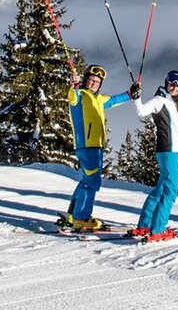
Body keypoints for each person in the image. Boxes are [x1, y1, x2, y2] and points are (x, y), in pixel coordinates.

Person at [57, 64, 133, 231]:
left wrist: (130, 94)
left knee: (87, 179)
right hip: (87, 144)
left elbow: (113, 100)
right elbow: (73, 94)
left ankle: (73, 214)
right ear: (85, 80)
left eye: (97, 82)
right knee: (92, 181)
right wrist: (74, 84)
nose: (93, 84)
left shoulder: (98, 99)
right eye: (91, 80)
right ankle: (81, 218)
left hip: (95, 145)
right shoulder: (79, 96)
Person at [130, 70, 178, 241]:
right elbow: (142, 112)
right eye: (172, 83)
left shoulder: (177, 103)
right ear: (166, 82)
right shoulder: (160, 100)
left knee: (160, 189)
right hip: (168, 150)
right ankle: (158, 229)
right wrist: (136, 97)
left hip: (175, 151)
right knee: (170, 191)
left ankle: (145, 225)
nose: (174, 87)